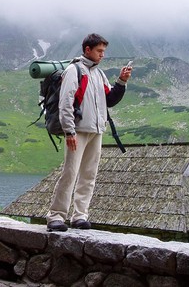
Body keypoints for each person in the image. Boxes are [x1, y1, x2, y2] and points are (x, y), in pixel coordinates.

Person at [46, 33, 131, 232]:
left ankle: (80, 216)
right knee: (70, 172)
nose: (102, 55)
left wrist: (121, 81)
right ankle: (56, 216)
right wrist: (69, 131)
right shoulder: (74, 71)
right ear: (87, 50)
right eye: (99, 51)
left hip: (96, 130)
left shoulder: (99, 74)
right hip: (78, 131)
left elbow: (109, 100)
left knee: (89, 174)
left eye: (103, 51)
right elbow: (65, 102)